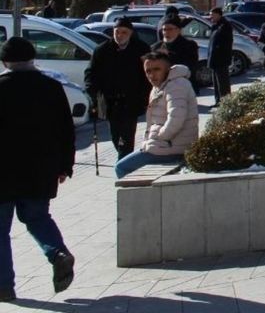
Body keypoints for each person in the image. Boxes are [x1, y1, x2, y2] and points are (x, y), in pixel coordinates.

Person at [0, 37, 76, 300]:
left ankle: (4, 287)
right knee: (37, 217)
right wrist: (65, 165)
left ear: (4, 62)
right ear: (33, 59)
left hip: (3, 172)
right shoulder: (51, 87)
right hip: (41, 169)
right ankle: (58, 252)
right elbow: (66, 130)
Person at [114, 51, 198, 178]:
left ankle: (141, 192)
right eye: (148, 71)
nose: (152, 75)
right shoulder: (161, 86)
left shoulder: (176, 85)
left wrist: (161, 137)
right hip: (167, 146)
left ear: (168, 69)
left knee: (122, 167)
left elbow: (177, 118)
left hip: (172, 148)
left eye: (157, 69)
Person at [85, 18, 152, 157]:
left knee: (127, 137)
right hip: (110, 102)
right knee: (115, 136)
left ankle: (123, 163)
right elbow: (91, 73)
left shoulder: (141, 49)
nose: (120, 35)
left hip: (131, 101)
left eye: (124, 32)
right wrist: (93, 92)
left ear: (130, 33)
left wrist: (145, 95)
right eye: (117, 32)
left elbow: (149, 74)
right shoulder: (102, 50)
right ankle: (124, 158)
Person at [154, 17, 200, 90]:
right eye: (164, 29)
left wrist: (168, 56)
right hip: (161, 87)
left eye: (170, 29)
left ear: (178, 30)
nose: (166, 32)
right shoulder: (156, 47)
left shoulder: (189, 45)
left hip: (182, 86)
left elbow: (190, 67)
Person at [207, 8, 234, 102]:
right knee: (215, 81)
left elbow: (225, 43)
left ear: (218, 15)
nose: (210, 17)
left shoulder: (225, 26)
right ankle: (218, 101)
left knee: (223, 82)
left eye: (212, 15)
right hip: (214, 58)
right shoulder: (215, 26)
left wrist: (219, 52)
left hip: (221, 59)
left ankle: (225, 102)